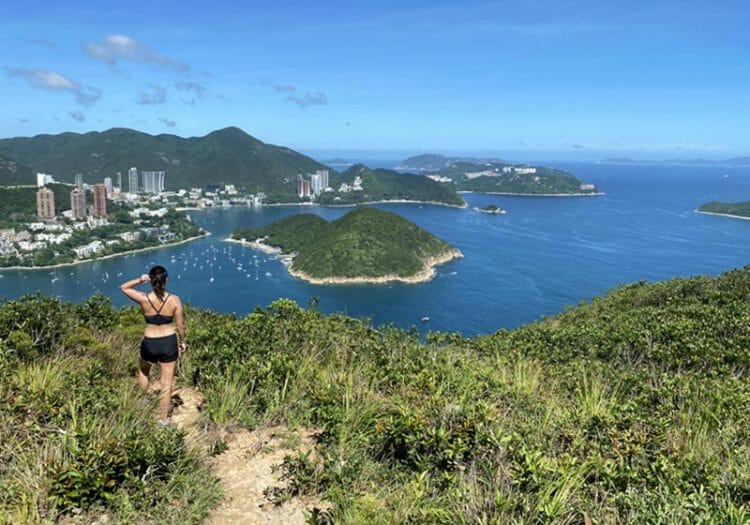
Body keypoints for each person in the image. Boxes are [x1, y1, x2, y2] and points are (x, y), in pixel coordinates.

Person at [120, 265, 186, 424]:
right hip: (168, 342)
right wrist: (182, 341)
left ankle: (143, 402)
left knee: (144, 371)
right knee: (166, 383)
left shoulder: (144, 298)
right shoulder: (174, 300)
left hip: (149, 342)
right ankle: (163, 420)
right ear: (166, 280)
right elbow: (181, 326)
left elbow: (123, 287)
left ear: (150, 281)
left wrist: (140, 279)